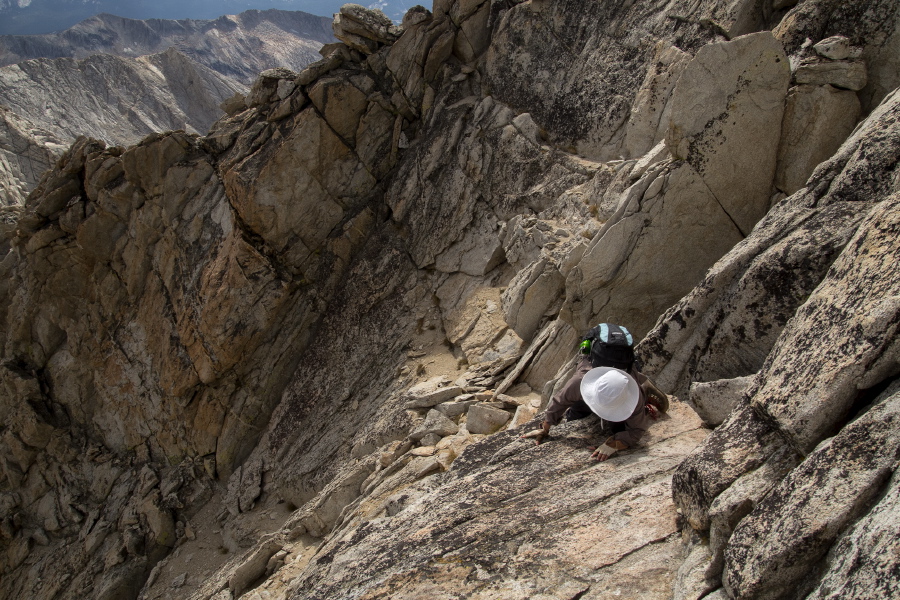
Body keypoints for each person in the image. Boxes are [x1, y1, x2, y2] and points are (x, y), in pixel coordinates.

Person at [522, 353, 669, 461]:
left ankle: (645, 387)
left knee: (617, 428)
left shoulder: (633, 396)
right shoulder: (579, 382)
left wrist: (615, 444)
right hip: (593, 382)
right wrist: (545, 427)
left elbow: (636, 430)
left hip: (628, 377)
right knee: (574, 416)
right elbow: (560, 401)